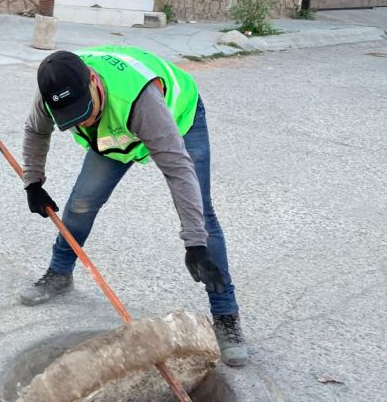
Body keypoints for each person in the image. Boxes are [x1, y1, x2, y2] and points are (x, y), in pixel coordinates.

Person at [21, 46, 249, 366]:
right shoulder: (53, 87)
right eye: (73, 118)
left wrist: (195, 242)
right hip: (112, 137)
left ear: (93, 80)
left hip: (178, 119)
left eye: (85, 109)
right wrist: (33, 182)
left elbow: (178, 170)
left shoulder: (140, 100)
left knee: (204, 215)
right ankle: (59, 275)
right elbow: (35, 130)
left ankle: (226, 317)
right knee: (81, 205)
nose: (83, 120)